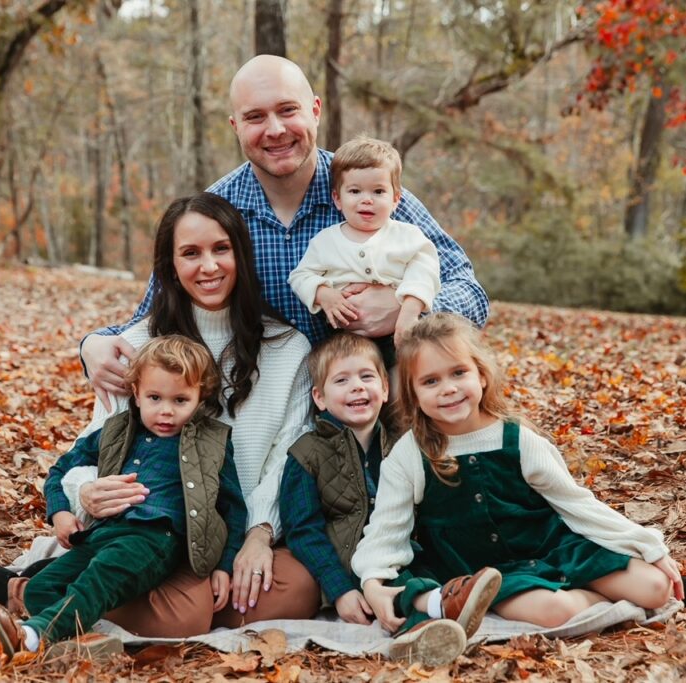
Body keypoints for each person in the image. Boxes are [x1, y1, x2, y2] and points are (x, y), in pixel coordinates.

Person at [0, 194, 319, 636]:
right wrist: (86, 493)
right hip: (142, 531)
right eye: (190, 253)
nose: (208, 266)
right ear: (170, 266)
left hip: (225, 534)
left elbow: (288, 456)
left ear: (241, 255)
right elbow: (97, 441)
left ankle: (53, 590)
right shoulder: (135, 344)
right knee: (183, 616)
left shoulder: (289, 348)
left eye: (220, 249)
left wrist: (258, 536)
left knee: (300, 588)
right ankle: (27, 591)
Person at [81, 55, 488, 412]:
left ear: (315, 110)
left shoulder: (368, 194)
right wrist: (92, 345)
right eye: (255, 117)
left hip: (376, 404)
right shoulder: (215, 211)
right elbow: (156, 315)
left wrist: (407, 310)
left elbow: (470, 293)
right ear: (235, 125)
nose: (274, 130)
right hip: (266, 414)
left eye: (287, 110)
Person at [353, 313, 686, 646]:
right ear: (413, 393)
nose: (449, 389)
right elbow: (387, 528)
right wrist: (372, 580)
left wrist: (647, 546)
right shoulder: (410, 453)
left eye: (459, 373)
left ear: (481, 376)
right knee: (556, 609)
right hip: (485, 571)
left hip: (550, 547)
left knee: (657, 587)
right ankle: (591, 604)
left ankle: (597, 596)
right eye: (431, 381)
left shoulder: (518, 439)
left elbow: (576, 504)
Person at [0, 335, 247, 659]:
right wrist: (60, 512)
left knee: (101, 574)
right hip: (104, 532)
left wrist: (225, 565)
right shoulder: (117, 431)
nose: (165, 412)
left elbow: (233, 507)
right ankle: (81, 645)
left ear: (199, 396)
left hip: (155, 538)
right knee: (40, 587)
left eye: (180, 400)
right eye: (155, 397)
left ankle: (34, 636)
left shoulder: (213, 441)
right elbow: (61, 469)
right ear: (136, 393)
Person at [280, 333, 499, 667]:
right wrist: (339, 590)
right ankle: (434, 615)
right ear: (320, 397)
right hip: (352, 564)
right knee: (400, 587)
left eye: (366, 377)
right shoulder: (306, 454)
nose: (357, 387)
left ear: (385, 388)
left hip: (405, 550)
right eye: (342, 380)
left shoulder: (403, 444)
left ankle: (436, 619)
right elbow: (302, 530)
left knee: (427, 568)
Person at [288, 136, 440, 364]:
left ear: (396, 199)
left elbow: (425, 272)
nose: (367, 200)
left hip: (398, 333)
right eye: (355, 191)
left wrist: (409, 310)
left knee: (404, 383)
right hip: (344, 340)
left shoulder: (408, 236)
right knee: (343, 383)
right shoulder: (326, 241)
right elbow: (300, 276)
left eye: (378, 192)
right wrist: (324, 295)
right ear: (337, 199)